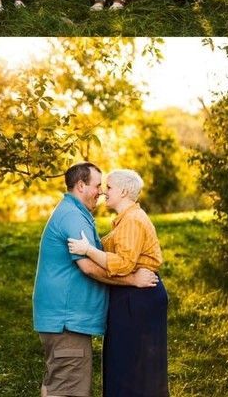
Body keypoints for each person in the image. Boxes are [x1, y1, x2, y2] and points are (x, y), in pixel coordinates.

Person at [33, 162, 158, 397]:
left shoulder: (76, 213)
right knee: (69, 389)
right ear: (81, 185)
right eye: (97, 185)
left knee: (57, 385)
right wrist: (133, 280)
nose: (101, 192)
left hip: (66, 319)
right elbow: (89, 267)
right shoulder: (73, 217)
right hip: (66, 321)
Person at [67, 168, 169, 397]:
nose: (103, 191)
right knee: (126, 361)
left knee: (131, 364)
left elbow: (123, 264)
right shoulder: (125, 219)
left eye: (109, 187)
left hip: (139, 296)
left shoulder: (132, 220)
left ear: (123, 191)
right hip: (133, 293)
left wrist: (88, 251)